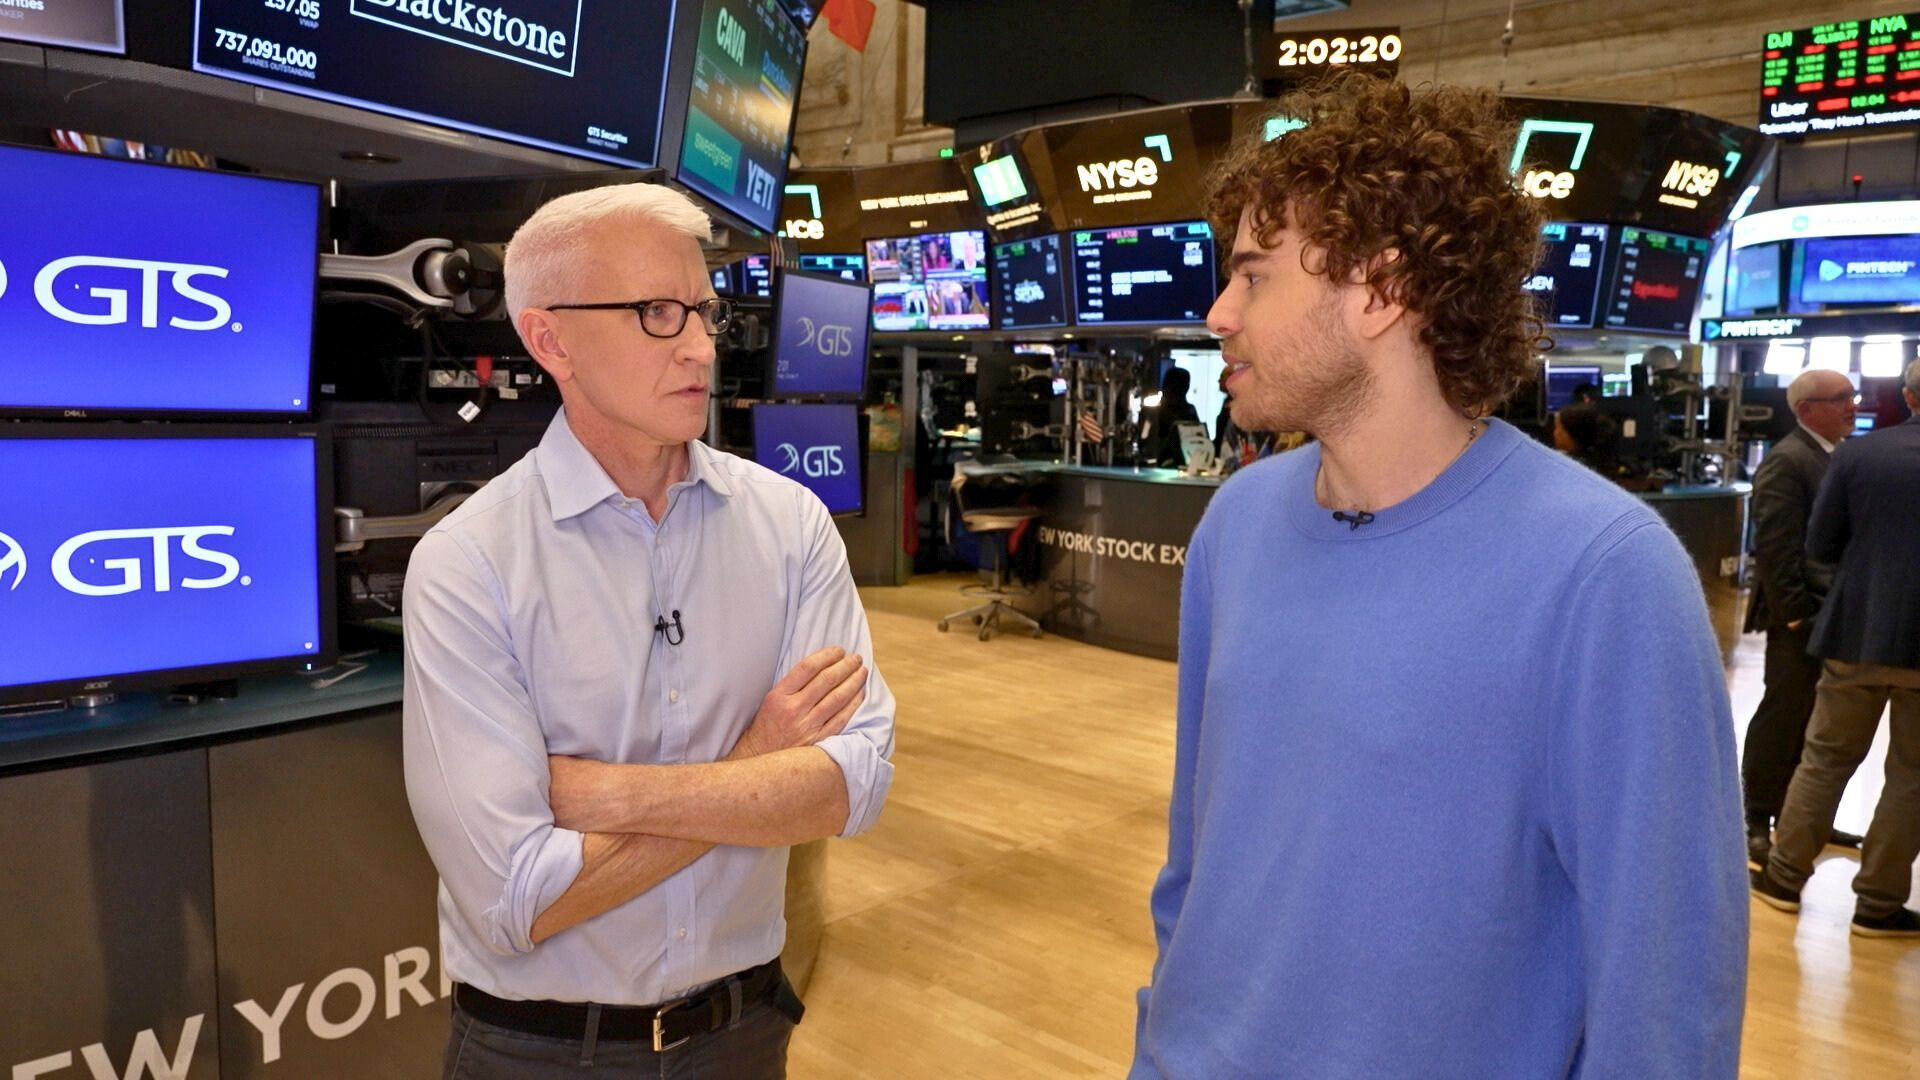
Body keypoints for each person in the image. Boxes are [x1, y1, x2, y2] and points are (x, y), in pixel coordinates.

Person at [1131, 71, 1746, 1079]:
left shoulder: (1606, 576)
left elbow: (1668, 992)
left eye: (1253, 277)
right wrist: (1161, 1040)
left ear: (1382, 289)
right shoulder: (1236, 525)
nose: (1218, 313)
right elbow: (1199, 855)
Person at [402, 182, 896, 1077]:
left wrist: (606, 795)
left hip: (743, 1034)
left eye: (705, 312)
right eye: (657, 314)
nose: (700, 346)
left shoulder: (790, 525)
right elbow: (516, 899)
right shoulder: (469, 563)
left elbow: (850, 788)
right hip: (541, 1054)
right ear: (550, 339)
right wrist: (758, 764)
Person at [1753, 359, 1920, 938]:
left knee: (1824, 759)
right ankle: (1877, 904)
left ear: (1908, 396)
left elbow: (1820, 544)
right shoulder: (1820, 455)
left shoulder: (1858, 455)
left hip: (1856, 631)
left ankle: (1783, 878)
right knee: (1912, 776)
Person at [1739, 368, 1862, 869]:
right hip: (1799, 618)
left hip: (1826, 614)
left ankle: (1798, 817)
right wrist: (1794, 616)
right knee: (1783, 716)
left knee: (1812, 719)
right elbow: (1775, 546)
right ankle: (1755, 818)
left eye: (1852, 395)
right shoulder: (1789, 460)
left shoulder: (1833, 455)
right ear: (1807, 409)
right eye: (1841, 398)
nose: (1853, 405)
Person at [1137, 366, 1201, 466]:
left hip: (1181, 461)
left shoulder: (1188, 410)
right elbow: (1143, 438)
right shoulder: (1154, 410)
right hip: (1158, 461)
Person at [1550, 400, 1620, 476]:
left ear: (1569, 434)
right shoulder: (1595, 461)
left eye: (1557, 427)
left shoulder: (1570, 468)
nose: (1554, 432)